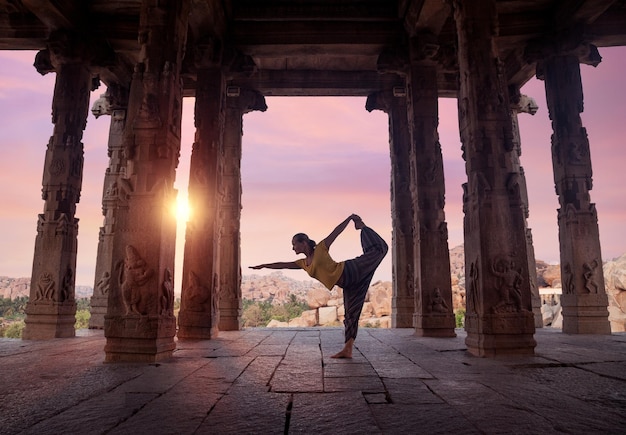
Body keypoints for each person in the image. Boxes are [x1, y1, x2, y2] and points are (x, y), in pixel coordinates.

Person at [250, 214, 388, 358]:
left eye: (294, 244)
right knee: (351, 315)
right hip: (348, 284)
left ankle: (363, 228)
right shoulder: (303, 263)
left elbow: (336, 232)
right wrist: (263, 266)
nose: (292, 248)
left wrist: (350, 219)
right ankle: (348, 349)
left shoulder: (321, 248)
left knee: (378, 251)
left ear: (303, 242)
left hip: (350, 270)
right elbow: (282, 264)